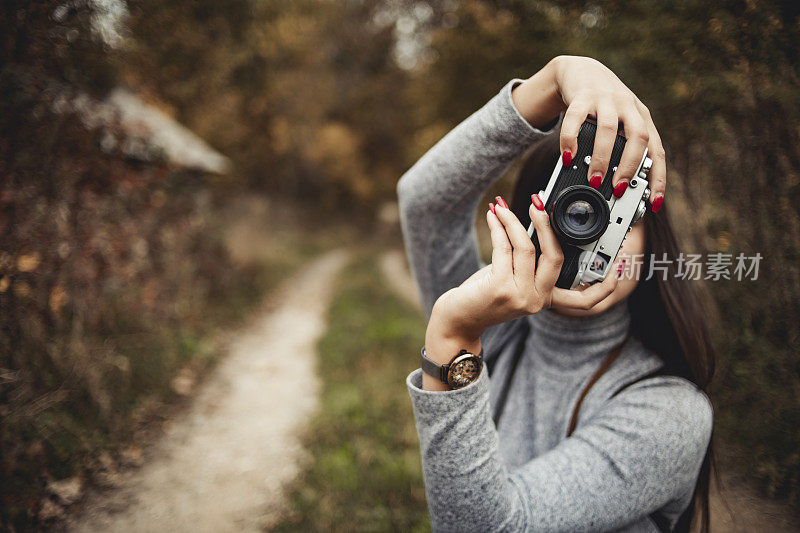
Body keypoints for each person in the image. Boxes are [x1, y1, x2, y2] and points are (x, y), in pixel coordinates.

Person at [397, 56, 715, 532]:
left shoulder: (671, 413)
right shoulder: (499, 331)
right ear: (530, 222)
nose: (590, 239)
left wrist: (455, 334)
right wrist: (555, 78)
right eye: (576, 211)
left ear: (653, 240)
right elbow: (424, 203)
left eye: (619, 218)